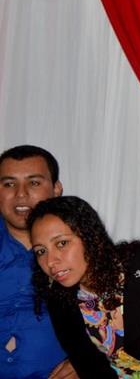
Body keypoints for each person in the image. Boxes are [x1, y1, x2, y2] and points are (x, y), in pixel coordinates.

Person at [28, 196, 140, 378]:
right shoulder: (61, 300)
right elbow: (91, 368)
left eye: (62, 243)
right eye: (41, 251)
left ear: (89, 236)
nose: (50, 261)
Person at [0, 145, 75, 378]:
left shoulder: (80, 244)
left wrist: (90, 361)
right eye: (9, 184)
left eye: (33, 183)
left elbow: (117, 315)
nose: (21, 194)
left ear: (56, 189)